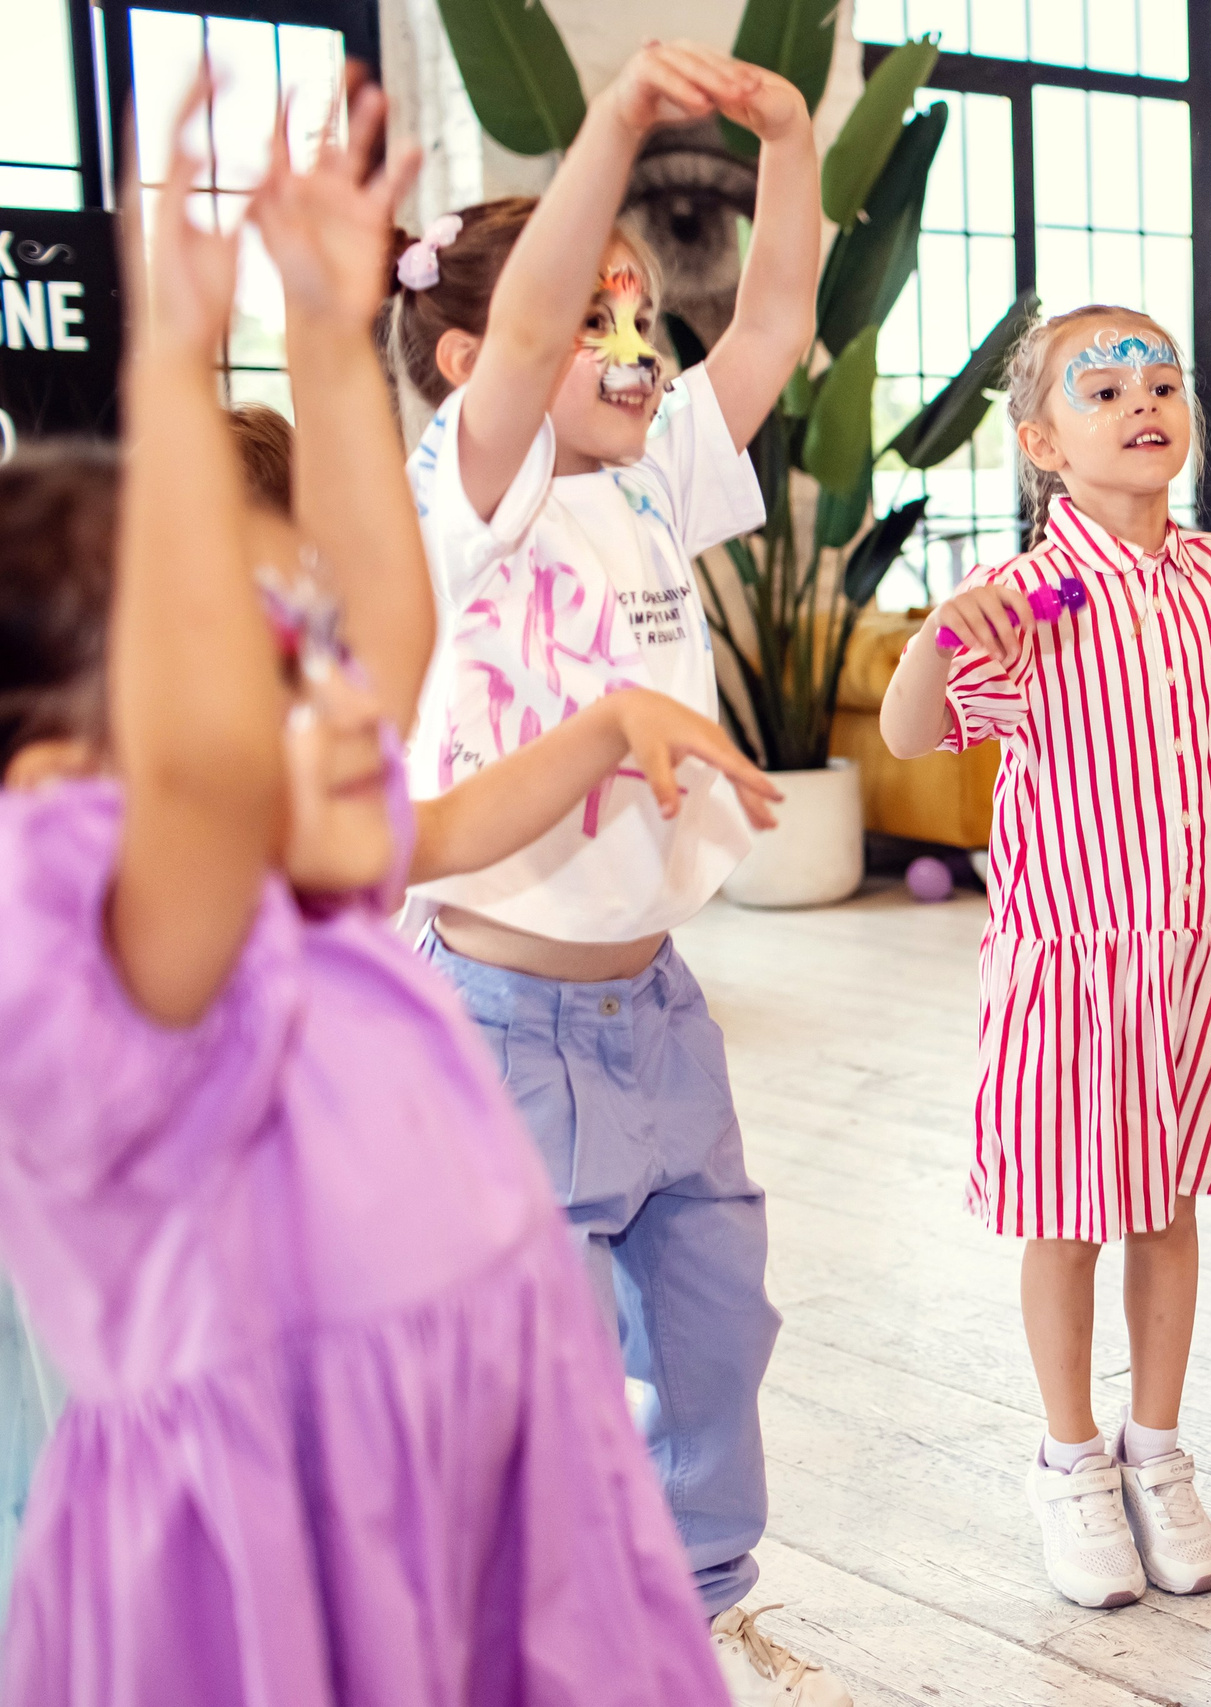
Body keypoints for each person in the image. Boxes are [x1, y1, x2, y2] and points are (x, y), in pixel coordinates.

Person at [0, 83, 756, 1702]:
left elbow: (387, 634)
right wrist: (164, 369)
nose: (340, 698)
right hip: (290, 1545)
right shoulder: (112, 943)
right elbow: (208, 762)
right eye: (262, 661)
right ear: (63, 760)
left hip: (480, 1479)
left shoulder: (308, 876)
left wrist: (329, 334)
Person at [388, 40, 841, 1696]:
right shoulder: (477, 485)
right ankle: (528, 1628)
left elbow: (778, 320)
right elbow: (523, 328)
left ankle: (697, 1597)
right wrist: (613, 126)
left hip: (657, 1009)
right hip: (502, 1025)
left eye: (643, 309)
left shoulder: (658, 467)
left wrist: (788, 136)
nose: (633, 341)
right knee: (548, 1378)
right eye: (601, 310)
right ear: (469, 362)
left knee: (718, 1331)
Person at [875, 305, 1211, 1609]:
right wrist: (947, 629)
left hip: (1195, 953)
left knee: (1168, 1210)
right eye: (1103, 389)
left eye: (1163, 382)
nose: (1144, 401)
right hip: (1071, 964)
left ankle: (1157, 1456)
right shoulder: (1033, 593)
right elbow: (906, 728)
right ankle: (1068, 1458)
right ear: (1043, 439)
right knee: (1068, 1218)